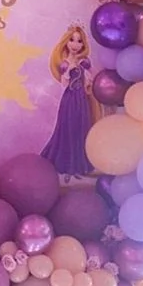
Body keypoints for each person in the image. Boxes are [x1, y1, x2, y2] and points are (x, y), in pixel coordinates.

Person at [40, 23, 98, 178]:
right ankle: (67, 166)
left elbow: (91, 78)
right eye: (72, 40)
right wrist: (68, 72)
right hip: (69, 99)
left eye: (79, 41)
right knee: (68, 128)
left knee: (81, 128)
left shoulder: (84, 61)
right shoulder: (64, 63)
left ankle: (79, 166)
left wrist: (88, 79)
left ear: (83, 45)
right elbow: (64, 84)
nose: (75, 44)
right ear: (66, 42)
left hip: (82, 99)